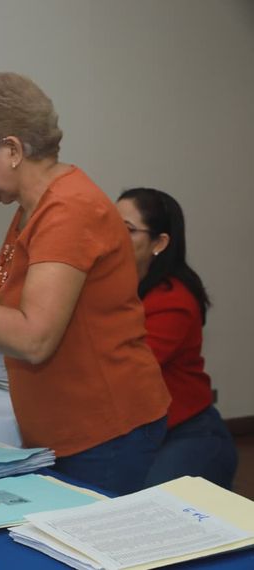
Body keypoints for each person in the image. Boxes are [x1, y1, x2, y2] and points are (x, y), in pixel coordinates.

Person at [0, 72, 171, 495]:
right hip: (70, 424)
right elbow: (31, 288)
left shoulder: (67, 211)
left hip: (103, 428)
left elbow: (33, 337)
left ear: (12, 150)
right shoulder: (38, 204)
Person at [117, 187, 237, 489]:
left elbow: (129, 368)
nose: (113, 237)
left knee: (152, 507)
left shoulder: (174, 299)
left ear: (159, 243)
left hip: (187, 432)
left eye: (127, 230)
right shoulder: (117, 285)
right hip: (138, 431)